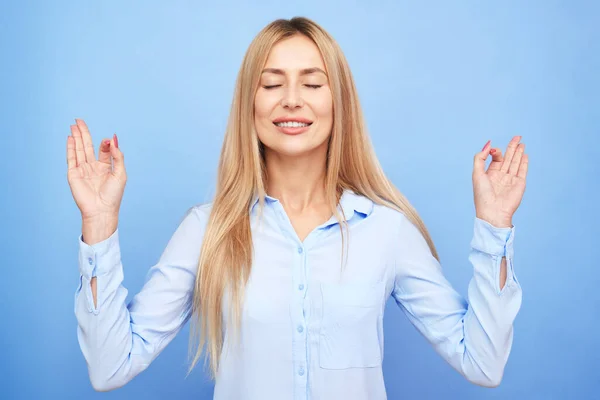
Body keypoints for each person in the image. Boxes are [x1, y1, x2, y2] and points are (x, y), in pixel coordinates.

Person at [67, 17, 527, 400]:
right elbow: (110, 368)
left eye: (312, 82)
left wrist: (495, 227)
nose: (292, 99)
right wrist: (99, 223)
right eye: (271, 83)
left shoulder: (387, 231)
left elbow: (483, 363)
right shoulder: (208, 230)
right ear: (250, 104)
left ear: (337, 101)